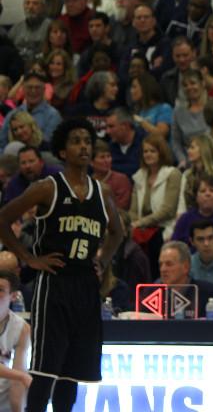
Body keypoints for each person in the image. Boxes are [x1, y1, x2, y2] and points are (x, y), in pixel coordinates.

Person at [0, 118, 124, 412]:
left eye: (87, 141)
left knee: (72, 375)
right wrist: (28, 257)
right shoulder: (48, 187)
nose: (83, 146)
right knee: (44, 372)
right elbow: (3, 218)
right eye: (76, 141)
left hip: (86, 285)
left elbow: (118, 232)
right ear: (63, 151)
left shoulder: (102, 192)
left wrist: (103, 260)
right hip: (54, 283)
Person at [129, 134, 181, 276]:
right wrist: (133, 224)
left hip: (164, 227)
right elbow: (133, 210)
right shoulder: (139, 176)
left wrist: (139, 223)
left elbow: (168, 210)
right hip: (141, 229)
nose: (148, 154)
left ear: (161, 152)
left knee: (153, 243)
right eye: (145, 151)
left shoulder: (172, 174)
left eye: (152, 151)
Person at [157, 241, 213, 319]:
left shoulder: (211, 293)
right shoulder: (153, 293)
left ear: (186, 267)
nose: (163, 269)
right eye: (160, 264)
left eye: (169, 264)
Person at [0, 72, 61, 151]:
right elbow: (1, 142)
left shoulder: (53, 115)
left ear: (44, 90)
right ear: (23, 90)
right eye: (29, 87)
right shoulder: (12, 113)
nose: (33, 91)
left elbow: (46, 144)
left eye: (37, 87)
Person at [176, 133, 213, 216]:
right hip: (189, 223)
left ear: (204, 150)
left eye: (192, 148)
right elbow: (181, 209)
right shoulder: (186, 175)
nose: (188, 151)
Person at [0, 269, 31, 412]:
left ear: (13, 296)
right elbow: (20, 376)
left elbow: (17, 382)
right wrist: (22, 376)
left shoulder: (22, 328)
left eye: (0, 290)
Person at [171, 69, 208, 168]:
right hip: (188, 162)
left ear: (202, 83)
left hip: (211, 160)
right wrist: (182, 159)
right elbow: (175, 141)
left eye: (193, 83)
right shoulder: (178, 112)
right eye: (185, 85)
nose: (189, 87)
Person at [8, 0, 50, 66]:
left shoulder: (50, 27)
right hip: (17, 69)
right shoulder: (16, 28)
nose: (30, 7)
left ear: (43, 7)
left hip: (42, 68)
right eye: (27, 3)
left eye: (35, 3)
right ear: (23, 6)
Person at [91, 140, 131, 214]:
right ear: (91, 162)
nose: (107, 160)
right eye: (102, 157)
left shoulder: (121, 179)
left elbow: (122, 208)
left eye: (108, 156)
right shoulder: (88, 181)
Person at [129, 74, 173, 140]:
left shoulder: (164, 108)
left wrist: (141, 122)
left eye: (134, 87)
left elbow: (161, 135)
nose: (131, 91)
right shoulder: (139, 111)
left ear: (145, 87)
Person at [105, 107, 145, 178]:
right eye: (107, 127)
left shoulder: (146, 143)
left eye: (111, 126)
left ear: (125, 126)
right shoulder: (110, 147)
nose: (107, 131)